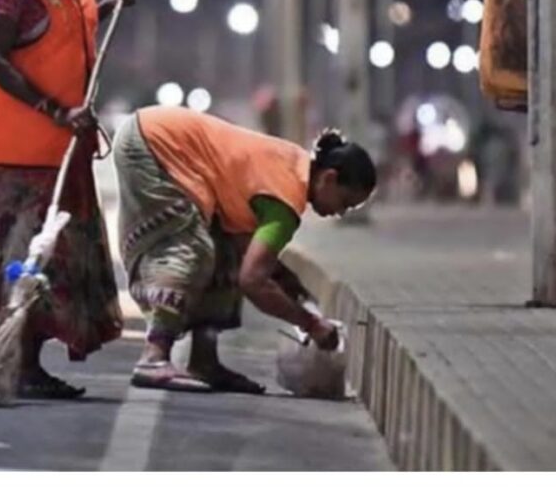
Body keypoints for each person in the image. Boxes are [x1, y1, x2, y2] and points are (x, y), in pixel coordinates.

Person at [0, 0, 138, 398]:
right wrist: (53, 108)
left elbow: (79, 24)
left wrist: (114, 3)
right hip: (23, 156)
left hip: (63, 154)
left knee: (57, 265)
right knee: (25, 262)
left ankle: (28, 366)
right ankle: (12, 366)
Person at [113, 105, 377, 393]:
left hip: (153, 132)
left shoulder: (293, 168)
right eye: (345, 203)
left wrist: (285, 279)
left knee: (226, 257)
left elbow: (246, 250)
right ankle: (154, 356)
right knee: (192, 251)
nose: (340, 213)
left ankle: (204, 361)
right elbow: (253, 281)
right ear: (329, 178)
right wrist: (311, 324)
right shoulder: (285, 203)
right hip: (154, 143)